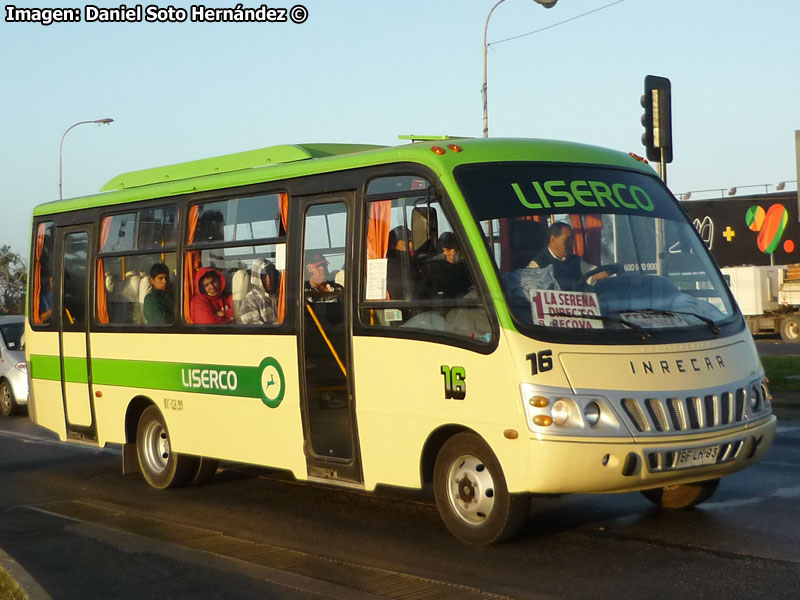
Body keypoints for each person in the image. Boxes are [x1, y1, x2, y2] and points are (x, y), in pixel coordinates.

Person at [529, 222, 607, 290]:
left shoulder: (575, 260)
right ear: (553, 239)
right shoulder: (538, 265)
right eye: (567, 239)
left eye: (572, 239)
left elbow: (594, 272)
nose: (571, 243)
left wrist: (612, 269)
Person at [423, 231, 471, 299]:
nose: (446, 253)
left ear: (461, 250)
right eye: (444, 250)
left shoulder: (470, 266)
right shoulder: (435, 264)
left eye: (449, 250)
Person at [239, 258, 279, 325]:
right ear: (257, 278)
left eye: (270, 274)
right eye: (263, 276)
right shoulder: (249, 301)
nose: (268, 280)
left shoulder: (282, 295)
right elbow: (257, 331)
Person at [386, 225, 415, 300]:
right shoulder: (392, 266)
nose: (411, 245)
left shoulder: (411, 262)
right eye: (406, 241)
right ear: (394, 244)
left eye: (411, 241)